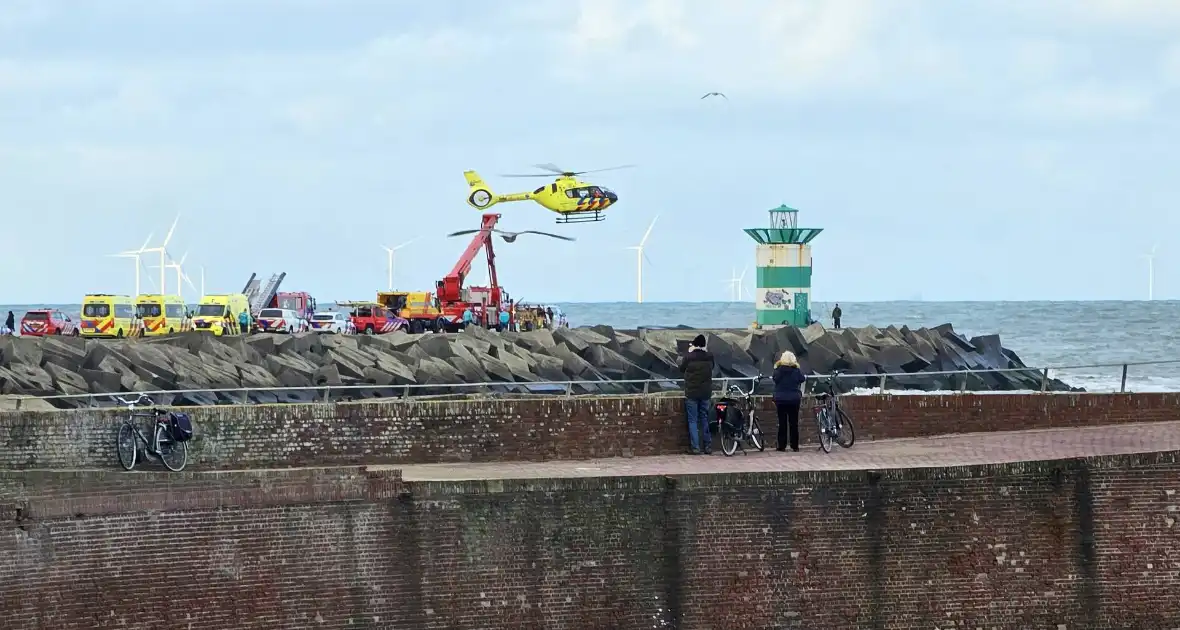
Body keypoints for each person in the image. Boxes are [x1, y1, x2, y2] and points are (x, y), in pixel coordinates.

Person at [678, 334, 714, 455]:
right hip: (705, 393)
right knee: (704, 418)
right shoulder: (709, 357)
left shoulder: (689, 357)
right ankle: (708, 446)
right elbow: (712, 367)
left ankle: (696, 447)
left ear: (694, 344)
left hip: (692, 393)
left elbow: (681, 369)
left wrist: (689, 352)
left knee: (693, 420)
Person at [772, 350, 807, 452]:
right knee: (793, 423)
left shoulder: (778, 370)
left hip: (781, 399)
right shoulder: (796, 371)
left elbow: (775, 379)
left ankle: (781, 446)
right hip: (794, 399)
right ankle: (794, 446)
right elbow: (802, 379)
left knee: (782, 423)